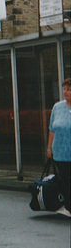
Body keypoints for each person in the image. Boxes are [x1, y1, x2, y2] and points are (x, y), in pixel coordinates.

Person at [46, 77, 71, 217]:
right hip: (60, 152)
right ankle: (68, 206)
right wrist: (49, 148)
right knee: (64, 180)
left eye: (69, 90)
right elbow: (52, 129)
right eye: (65, 89)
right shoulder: (57, 107)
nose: (65, 92)